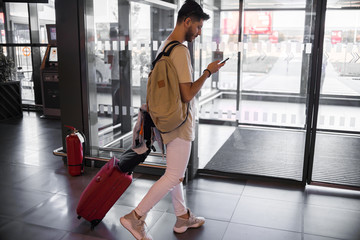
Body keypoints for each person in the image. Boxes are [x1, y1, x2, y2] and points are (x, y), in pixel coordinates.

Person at [120, 1, 225, 239]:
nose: (199, 32)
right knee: (173, 175)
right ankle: (135, 217)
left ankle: (182, 218)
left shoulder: (164, 47)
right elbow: (187, 94)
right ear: (187, 21)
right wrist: (208, 72)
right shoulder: (180, 51)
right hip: (179, 122)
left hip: (165, 119)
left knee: (174, 170)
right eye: (198, 27)